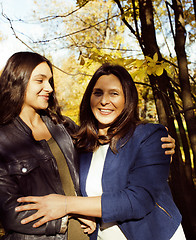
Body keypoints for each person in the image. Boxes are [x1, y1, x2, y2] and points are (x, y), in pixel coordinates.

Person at [15, 63, 186, 240]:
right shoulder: (81, 142)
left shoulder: (148, 136)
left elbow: (138, 200)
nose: (104, 101)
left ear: (128, 99)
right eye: (98, 93)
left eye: (114, 93)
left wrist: (67, 205)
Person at [0, 51, 95, 240]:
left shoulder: (64, 125)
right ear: (18, 81)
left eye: (50, 81)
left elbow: (102, 150)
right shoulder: (2, 139)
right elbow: (9, 211)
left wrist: (152, 141)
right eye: (40, 80)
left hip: (87, 234)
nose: (49, 88)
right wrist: (67, 215)